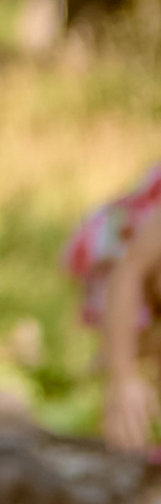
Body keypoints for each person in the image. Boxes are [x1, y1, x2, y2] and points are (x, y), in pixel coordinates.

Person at [63, 162, 161, 452]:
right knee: (128, 378)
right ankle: (126, 423)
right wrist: (122, 377)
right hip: (119, 248)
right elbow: (129, 271)